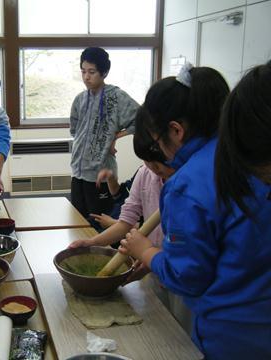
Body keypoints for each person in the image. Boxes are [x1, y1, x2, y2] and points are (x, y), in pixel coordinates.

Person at [116, 63, 271, 360]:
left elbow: (187, 277)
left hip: (231, 334)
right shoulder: (245, 155)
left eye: (158, 141)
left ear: (175, 130)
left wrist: (146, 251)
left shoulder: (187, 185)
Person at [68, 117, 193, 333]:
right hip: (153, 267)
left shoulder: (187, 184)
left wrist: (148, 253)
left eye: (158, 162)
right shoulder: (145, 175)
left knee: (183, 334)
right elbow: (126, 222)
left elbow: (190, 243)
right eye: (146, 161)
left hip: (182, 274)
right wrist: (92, 242)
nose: (153, 168)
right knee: (158, 327)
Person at [70, 47, 139, 225]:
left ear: (104, 72)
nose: (86, 77)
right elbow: (75, 130)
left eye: (91, 72)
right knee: (77, 219)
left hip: (101, 175)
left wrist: (115, 136)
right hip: (78, 172)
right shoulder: (80, 99)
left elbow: (141, 119)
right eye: (83, 71)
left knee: (98, 222)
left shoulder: (116, 97)